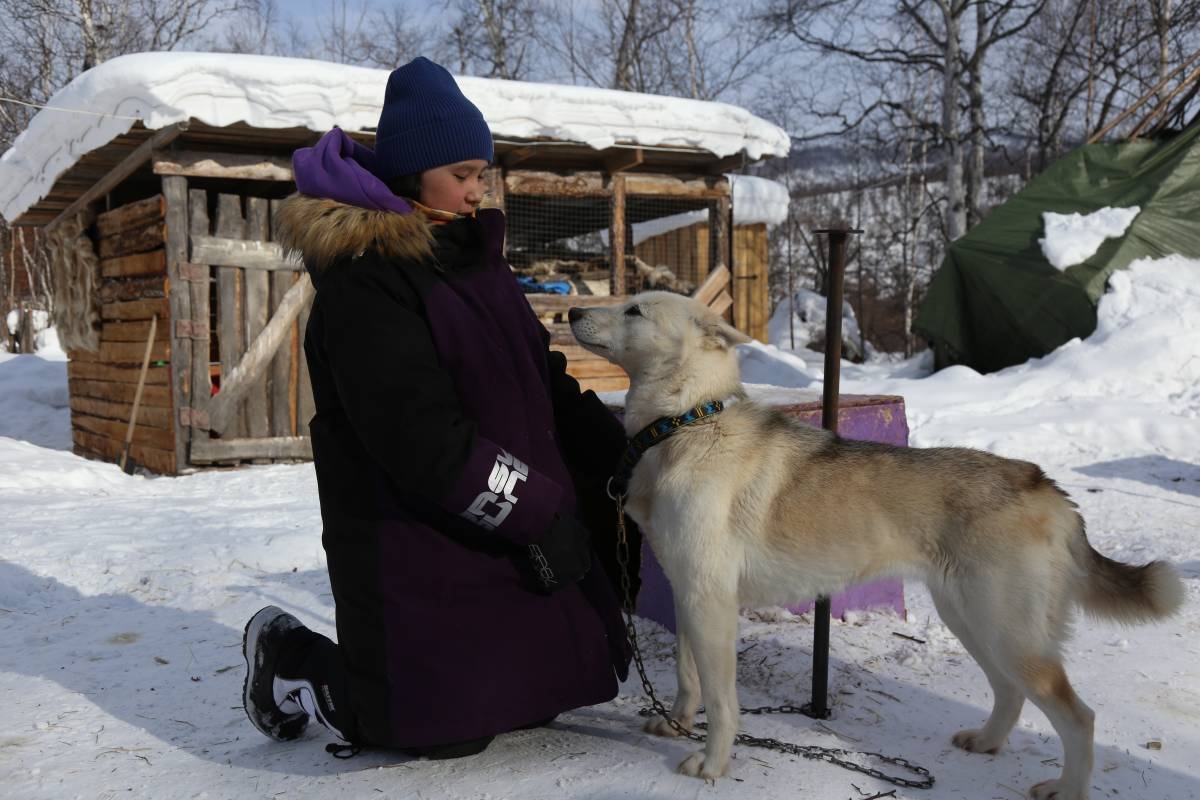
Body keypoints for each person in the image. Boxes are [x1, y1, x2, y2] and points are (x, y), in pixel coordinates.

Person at [240, 57, 641, 761]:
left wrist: (625, 457)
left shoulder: (476, 261)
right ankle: (291, 653)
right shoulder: (367, 280)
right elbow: (421, 439)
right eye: (461, 175)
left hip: (501, 522)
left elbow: (541, 379)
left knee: (543, 697)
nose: (475, 191)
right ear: (411, 175)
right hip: (412, 538)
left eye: (481, 175)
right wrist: (542, 514)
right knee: (430, 731)